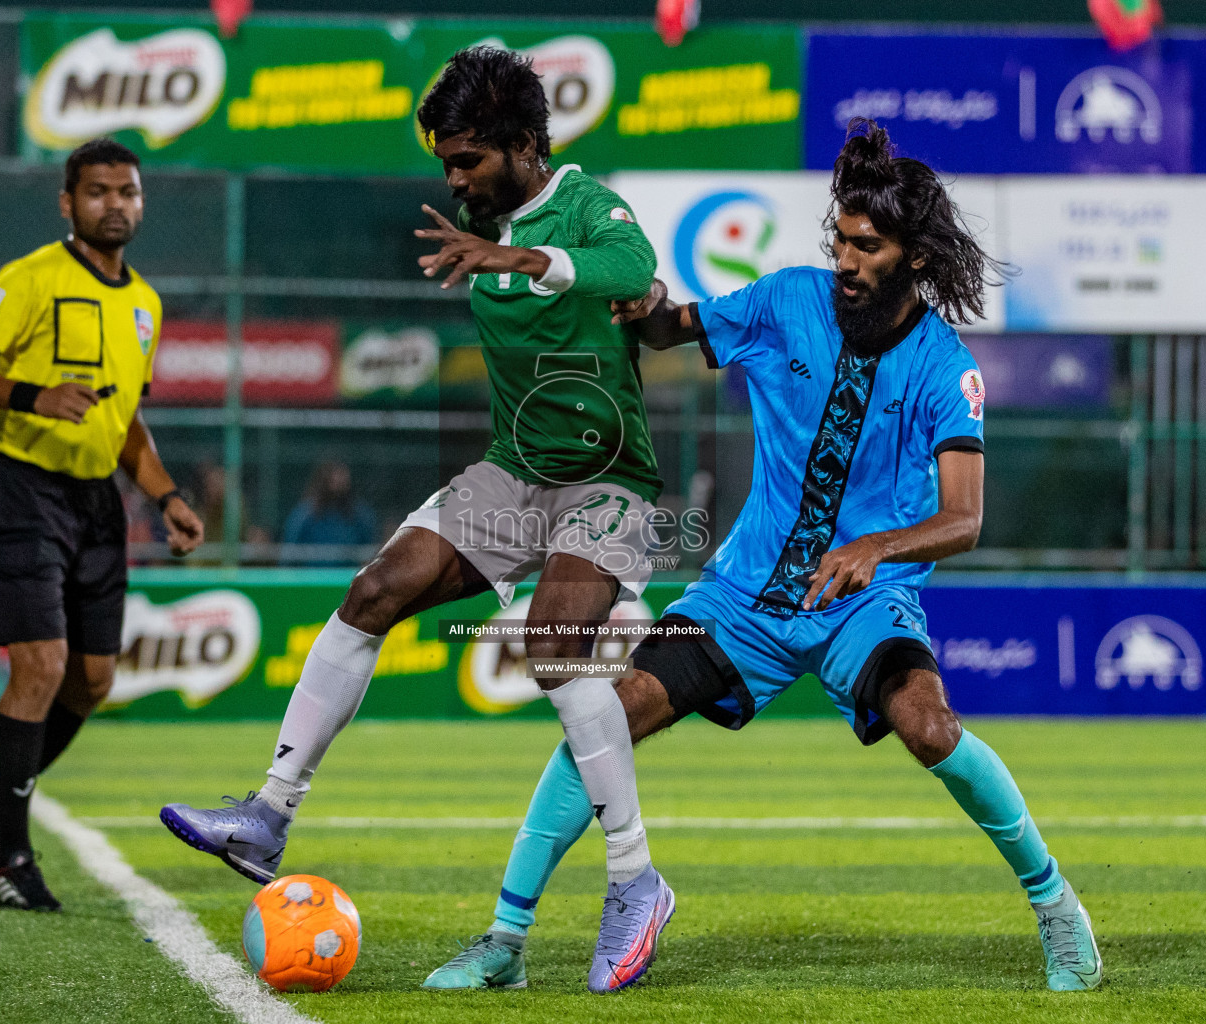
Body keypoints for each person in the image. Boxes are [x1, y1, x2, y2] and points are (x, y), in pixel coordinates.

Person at [421, 120, 1103, 994]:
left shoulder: (946, 366)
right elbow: (670, 327)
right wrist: (645, 304)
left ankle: (1056, 910)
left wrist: (875, 548)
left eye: (868, 247)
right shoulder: (787, 301)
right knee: (607, 718)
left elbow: (964, 519)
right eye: (840, 242)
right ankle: (506, 941)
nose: (847, 262)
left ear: (916, 258)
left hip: (867, 601)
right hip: (744, 599)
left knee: (929, 726)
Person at [160, 45, 674, 992]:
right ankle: (269, 815)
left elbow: (630, 265)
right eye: (445, 159)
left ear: (525, 145)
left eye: (471, 158)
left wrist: (518, 254)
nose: (454, 177)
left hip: (607, 483)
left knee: (556, 646)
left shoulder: (584, 202)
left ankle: (637, 882)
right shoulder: (471, 218)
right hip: (513, 474)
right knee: (373, 591)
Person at [0, 138, 205, 911]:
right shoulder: (31, 278)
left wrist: (166, 495)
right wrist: (30, 395)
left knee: (93, 680)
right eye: (98, 191)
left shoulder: (145, 302)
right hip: (23, 490)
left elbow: (127, 422)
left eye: (128, 192)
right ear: (68, 202)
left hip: (96, 504)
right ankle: (10, 859)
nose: (115, 204)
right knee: (42, 667)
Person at [280, 461, 376, 566]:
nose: (339, 482)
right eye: (335, 478)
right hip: (311, 579)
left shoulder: (359, 515)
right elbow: (289, 555)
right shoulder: (305, 514)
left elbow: (370, 552)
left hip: (348, 578)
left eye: (343, 478)